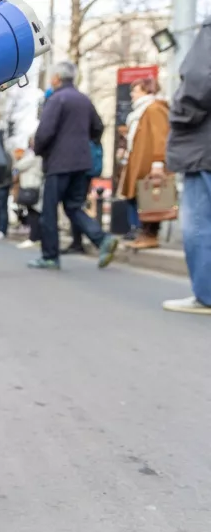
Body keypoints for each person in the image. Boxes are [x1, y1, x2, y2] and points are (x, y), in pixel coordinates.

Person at [30, 61, 118, 270]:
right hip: (82, 162)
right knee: (73, 206)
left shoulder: (56, 99)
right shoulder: (84, 100)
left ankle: (50, 256)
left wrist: (39, 150)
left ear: (56, 78)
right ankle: (102, 239)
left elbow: (45, 133)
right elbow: (98, 127)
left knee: (49, 211)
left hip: (59, 163)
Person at [162, 18, 211, 315]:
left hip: (205, 146)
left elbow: (198, 78)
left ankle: (206, 293)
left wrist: (180, 114)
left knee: (200, 222)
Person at [117, 77, 170, 250]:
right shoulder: (140, 111)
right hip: (137, 160)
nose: (132, 94)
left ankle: (150, 234)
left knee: (150, 198)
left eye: (135, 90)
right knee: (137, 197)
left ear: (147, 91)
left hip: (148, 162)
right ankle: (142, 233)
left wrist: (158, 161)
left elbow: (160, 136)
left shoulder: (154, 108)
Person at [13, 143, 45, 250]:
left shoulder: (33, 156)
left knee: (33, 213)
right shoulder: (40, 156)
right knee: (34, 212)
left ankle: (34, 238)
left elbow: (18, 166)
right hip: (35, 186)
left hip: (32, 186)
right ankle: (36, 237)